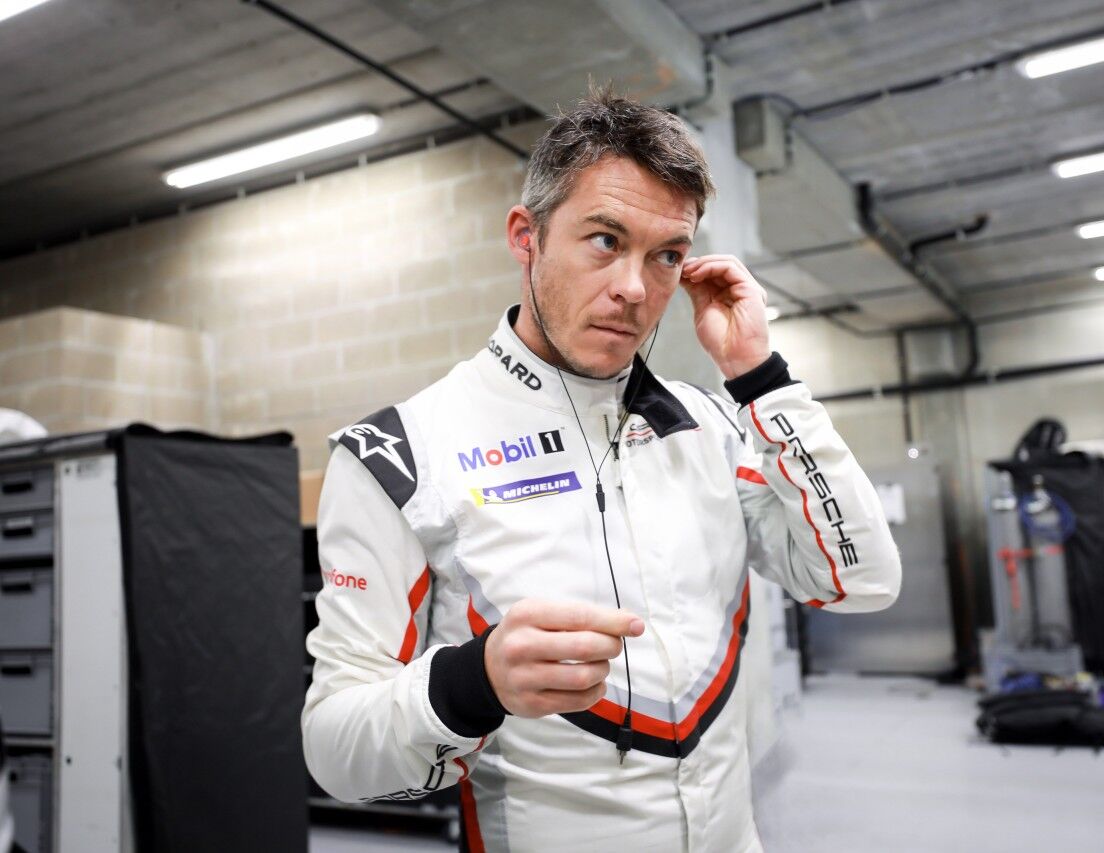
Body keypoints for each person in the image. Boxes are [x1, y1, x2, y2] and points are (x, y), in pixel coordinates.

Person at [302, 84, 902, 852]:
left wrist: (761, 378)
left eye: (667, 255)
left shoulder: (710, 427)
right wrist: (474, 681)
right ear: (526, 236)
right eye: (605, 240)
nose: (634, 288)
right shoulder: (400, 456)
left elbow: (862, 578)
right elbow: (335, 751)